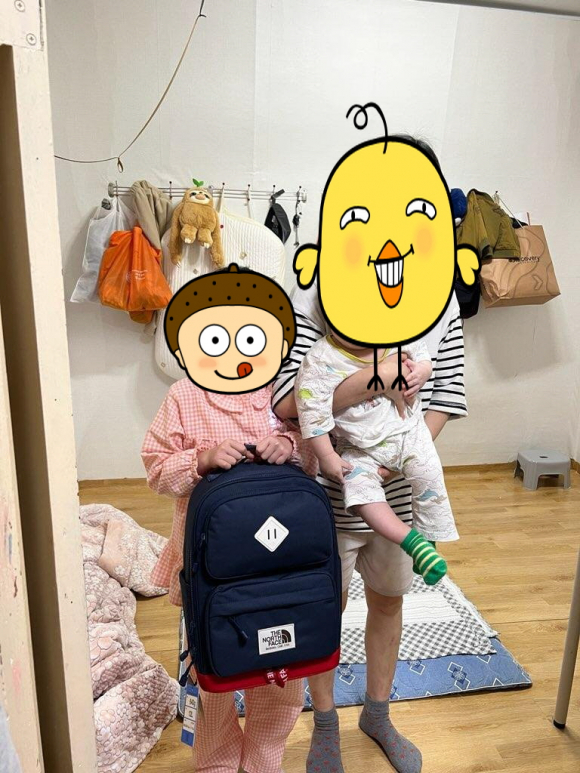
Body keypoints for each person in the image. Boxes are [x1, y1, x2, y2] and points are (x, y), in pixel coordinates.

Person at [274, 133, 467, 773]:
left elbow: (446, 395)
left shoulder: (437, 297)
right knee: (322, 604)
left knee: (389, 597)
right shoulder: (319, 286)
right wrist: (375, 378)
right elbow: (288, 401)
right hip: (323, 492)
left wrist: (397, 456)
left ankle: (378, 713)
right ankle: (325, 722)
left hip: (397, 484)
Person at [142, 267, 306, 773]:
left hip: (277, 568)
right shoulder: (183, 397)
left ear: (278, 345)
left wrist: (290, 445)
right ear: (186, 347)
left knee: (281, 669)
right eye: (215, 339)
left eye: (251, 338)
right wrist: (201, 459)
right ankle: (214, 758)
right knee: (212, 667)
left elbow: (318, 449)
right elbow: (155, 468)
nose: (234, 353)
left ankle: (263, 757)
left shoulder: (281, 394)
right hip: (207, 571)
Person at [295, 329, 458, 586]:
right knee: (358, 492)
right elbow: (310, 410)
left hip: (408, 432)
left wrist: (422, 372)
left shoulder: (394, 334)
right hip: (357, 447)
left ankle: (429, 536)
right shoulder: (320, 357)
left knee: (429, 475)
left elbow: (423, 356)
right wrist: (326, 455)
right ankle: (413, 542)